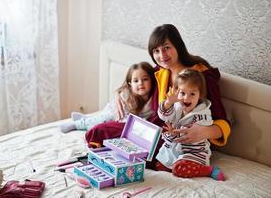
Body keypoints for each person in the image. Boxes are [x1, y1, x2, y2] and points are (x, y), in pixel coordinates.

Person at [86, 24, 230, 169]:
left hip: (182, 139)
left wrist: (204, 132)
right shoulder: (160, 71)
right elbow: (136, 78)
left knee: (143, 153)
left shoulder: (201, 75)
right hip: (152, 129)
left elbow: (223, 121)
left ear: (178, 46)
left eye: (167, 47)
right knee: (99, 131)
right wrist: (119, 94)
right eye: (156, 51)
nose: (162, 56)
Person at [155, 69, 225, 181]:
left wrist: (175, 131)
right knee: (159, 165)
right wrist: (168, 103)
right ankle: (174, 164)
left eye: (192, 94)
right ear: (177, 92)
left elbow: (194, 130)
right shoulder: (177, 106)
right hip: (176, 149)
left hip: (194, 151)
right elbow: (164, 116)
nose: (186, 98)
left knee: (179, 168)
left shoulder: (203, 112)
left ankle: (209, 170)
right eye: (182, 93)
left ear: (200, 95)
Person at [60, 62, 156, 135]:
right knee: (101, 120)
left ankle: (85, 118)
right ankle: (78, 124)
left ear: (152, 80)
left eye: (145, 79)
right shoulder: (127, 95)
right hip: (115, 112)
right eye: (136, 81)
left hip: (124, 118)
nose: (140, 83)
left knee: (98, 118)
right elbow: (123, 117)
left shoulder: (153, 99)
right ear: (130, 83)